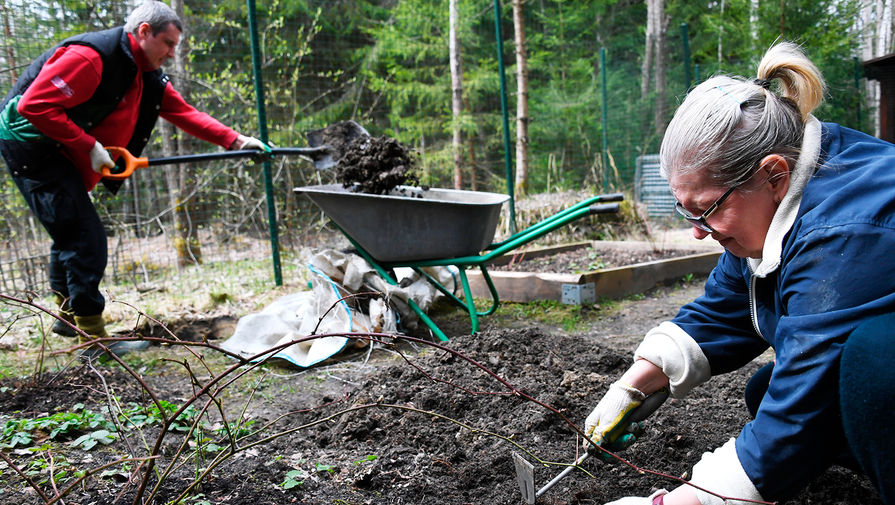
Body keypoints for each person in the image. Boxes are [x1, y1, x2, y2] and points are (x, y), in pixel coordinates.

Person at [583, 42, 895, 505]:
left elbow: (803, 402)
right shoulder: (779, 196)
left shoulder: (848, 232)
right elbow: (731, 307)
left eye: (705, 210)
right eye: (684, 211)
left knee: (873, 365)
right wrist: (636, 382)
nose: (697, 233)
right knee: (765, 389)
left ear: (773, 175)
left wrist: (680, 502)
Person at [0, 0, 267, 354]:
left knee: (68, 230)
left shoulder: (147, 76)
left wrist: (235, 140)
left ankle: (69, 320)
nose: (172, 54)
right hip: (32, 147)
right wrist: (88, 145)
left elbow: (185, 113)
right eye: (168, 44)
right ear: (144, 32)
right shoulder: (90, 58)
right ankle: (92, 340)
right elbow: (34, 106)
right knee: (84, 237)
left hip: (62, 149)